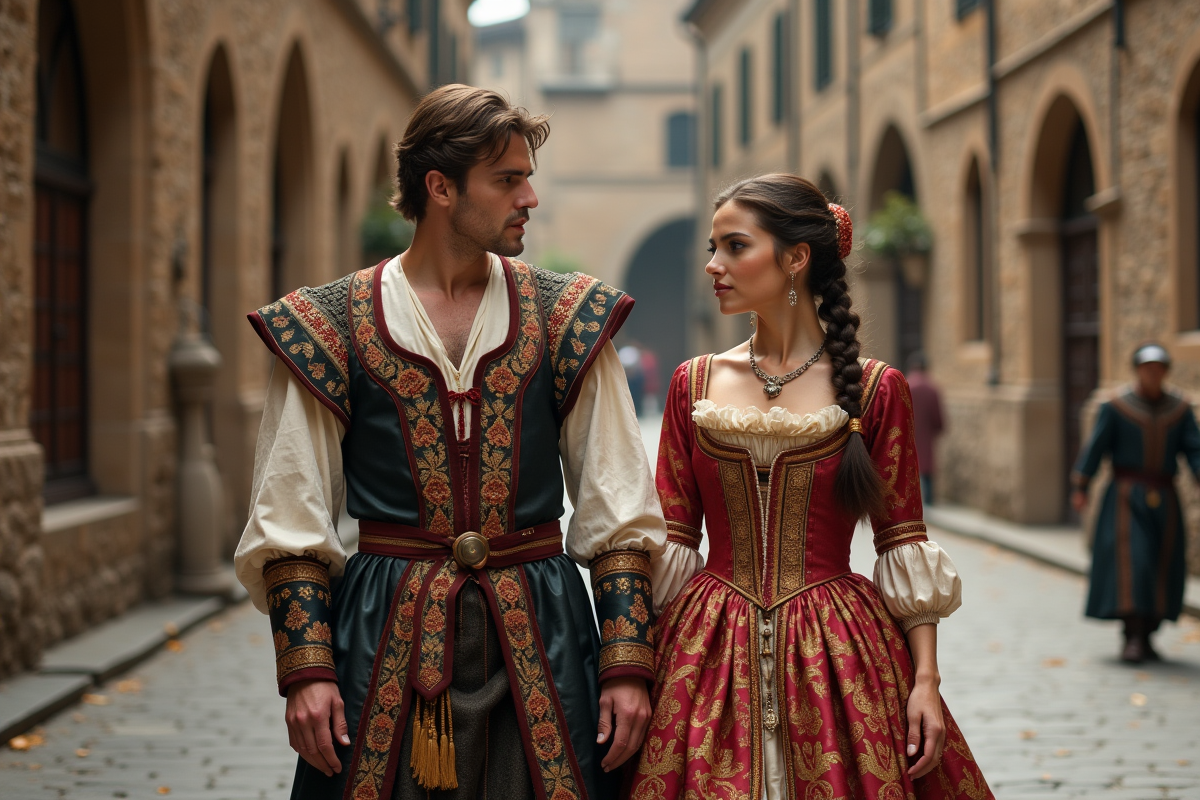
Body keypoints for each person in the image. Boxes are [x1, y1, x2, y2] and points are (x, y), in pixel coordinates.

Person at [235, 85, 665, 800]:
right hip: (384, 639)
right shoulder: (331, 324)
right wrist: (306, 671)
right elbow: (291, 513)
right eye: (507, 179)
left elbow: (618, 503)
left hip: (543, 638)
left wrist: (625, 664)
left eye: (528, 176)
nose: (529, 196)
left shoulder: (566, 316)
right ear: (439, 187)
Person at [630, 175, 992, 799]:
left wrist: (926, 681)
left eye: (735, 246)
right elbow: (671, 542)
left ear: (795, 257)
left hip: (839, 651)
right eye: (712, 249)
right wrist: (634, 667)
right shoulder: (692, 385)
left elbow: (902, 542)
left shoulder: (877, 390)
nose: (714, 266)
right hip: (707, 646)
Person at [1071, 343, 1200, 664]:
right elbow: (1096, 446)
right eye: (1147, 368)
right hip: (1125, 498)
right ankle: (1133, 635)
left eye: (1159, 368)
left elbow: (1195, 451)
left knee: (1162, 564)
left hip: (1165, 497)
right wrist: (1082, 484)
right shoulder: (1115, 406)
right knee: (1134, 563)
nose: (1153, 374)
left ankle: (1150, 632)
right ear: (1138, 370)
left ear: (1165, 371)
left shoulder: (1180, 409)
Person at [906, 350, 945, 505]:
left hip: (908, 433)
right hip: (926, 435)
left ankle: (910, 499)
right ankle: (929, 499)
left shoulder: (906, 385)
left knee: (908, 464)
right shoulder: (931, 388)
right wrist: (939, 427)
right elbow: (937, 416)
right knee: (927, 465)